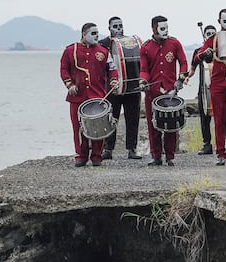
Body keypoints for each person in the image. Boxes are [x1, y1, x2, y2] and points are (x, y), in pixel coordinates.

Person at [59, 23, 118, 167]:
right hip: (77, 98)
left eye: (97, 33)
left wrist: (114, 81)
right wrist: (69, 85)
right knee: (78, 127)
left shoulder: (103, 52)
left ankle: (97, 155)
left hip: (97, 96)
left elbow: (112, 69)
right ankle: (81, 155)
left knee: (99, 127)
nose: (96, 36)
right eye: (93, 33)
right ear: (83, 35)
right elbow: (64, 69)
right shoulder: (70, 50)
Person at [193, 8, 226, 166]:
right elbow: (198, 57)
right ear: (219, 22)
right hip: (217, 81)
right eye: (225, 21)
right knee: (219, 119)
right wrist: (205, 54)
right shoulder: (213, 39)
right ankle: (221, 153)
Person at [138, 15, 188, 167]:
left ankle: (170, 156)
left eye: (167, 28)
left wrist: (180, 79)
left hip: (170, 93)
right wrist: (143, 81)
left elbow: (184, 63)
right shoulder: (145, 48)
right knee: (153, 124)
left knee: (171, 125)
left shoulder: (175, 43)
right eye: (162, 28)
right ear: (154, 29)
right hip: (152, 93)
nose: (165, 31)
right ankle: (156, 156)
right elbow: (144, 70)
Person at [99, 16, 143, 160]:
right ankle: (108, 149)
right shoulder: (103, 44)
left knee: (133, 118)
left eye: (120, 25)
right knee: (111, 118)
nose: (119, 29)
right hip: (113, 88)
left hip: (132, 86)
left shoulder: (130, 42)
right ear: (109, 28)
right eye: (115, 26)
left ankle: (132, 149)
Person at [186, 24, 217, 155]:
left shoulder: (221, 50)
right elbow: (192, 69)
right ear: (204, 35)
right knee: (204, 118)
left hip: (219, 88)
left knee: (222, 118)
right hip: (203, 89)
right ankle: (207, 144)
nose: (210, 35)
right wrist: (185, 78)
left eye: (213, 33)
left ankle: (225, 145)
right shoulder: (199, 51)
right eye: (208, 33)